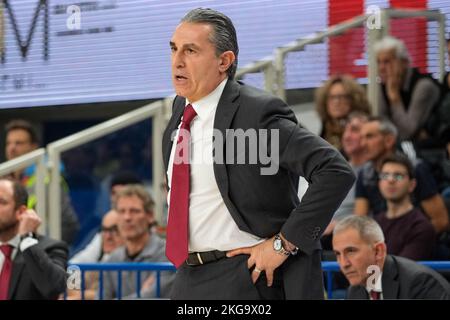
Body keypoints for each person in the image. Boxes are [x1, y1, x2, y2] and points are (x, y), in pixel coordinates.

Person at [163, 8, 355, 300]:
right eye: (174, 48)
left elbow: (334, 171)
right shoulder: (181, 111)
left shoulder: (257, 113)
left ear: (224, 61)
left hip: (248, 276)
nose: (177, 61)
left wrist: (283, 243)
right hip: (189, 276)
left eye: (191, 50)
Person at [354, 117, 449, 234]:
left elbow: (441, 221)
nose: (362, 144)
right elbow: (359, 222)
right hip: (381, 242)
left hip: (418, 241)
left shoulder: (416, 169)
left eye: (369, 137)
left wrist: (417, 240)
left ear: (389, 140)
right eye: (361, 138)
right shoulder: (364, 173)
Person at [332, 215, 450, 299]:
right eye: (338, 254)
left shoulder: (418, 283)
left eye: (351, 251)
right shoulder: (355, 291)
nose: (343, 263)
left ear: (378, 251)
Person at [4, 119, 80, 245]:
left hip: (34, 254)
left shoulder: (48, 178)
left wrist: (45, 252)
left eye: (19, 143)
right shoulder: (3, 180)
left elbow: (68, 224)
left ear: (33, 147)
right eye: (9, 143)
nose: (12, 148)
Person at [101, 184, 174, 299]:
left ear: (150, 216)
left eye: (134, 211)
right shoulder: (113, 259)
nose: (127, 217)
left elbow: (154, 296)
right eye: (121, 211)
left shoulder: (168, 253)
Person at [0, 178, 68, 300]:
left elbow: (53, 289)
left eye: (2, 202)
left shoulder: (50, 248)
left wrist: (26, 241)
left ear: (21, 211)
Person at [375, 36, 441, 142]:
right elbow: (381, 128)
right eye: (379, 62)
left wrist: (394, 98)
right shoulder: (383, 85)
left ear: (404, 62)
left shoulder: (424, 86)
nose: (381, 68)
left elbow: (408, 132)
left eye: (387, 62)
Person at [376, 154, 435, 260]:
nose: (390, 180)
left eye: (398, 176)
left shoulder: (421, 226)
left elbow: (402, 270)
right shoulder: (375, 223)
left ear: (412, 185)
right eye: (385, 176)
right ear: (379, 183)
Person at [315, 75, 371, 150]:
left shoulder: (365, 130)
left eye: (342, 97)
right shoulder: (324, 131)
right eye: (332, 97)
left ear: (354, 99)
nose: (336, 102)